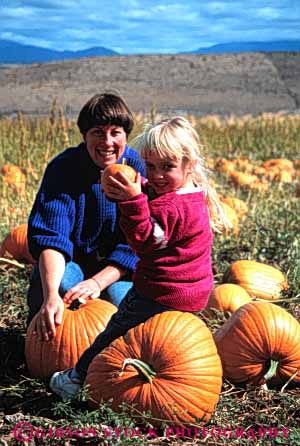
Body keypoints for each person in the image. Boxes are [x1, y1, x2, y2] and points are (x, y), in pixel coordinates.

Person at [49, 116, 229, 401]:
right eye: (151, 166)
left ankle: (77, 377)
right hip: (192, 294)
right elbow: (158, 198)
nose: (156, 175)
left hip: (160, 291)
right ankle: (182, 377)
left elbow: (146, 241)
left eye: (167, 167)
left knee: (116, 332)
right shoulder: (192, 193)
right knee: (169, 343)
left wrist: (131, 201)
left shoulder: (172, 207)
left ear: (189, 164)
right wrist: (138, 186)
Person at [27, 92, 146, 341]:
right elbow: (51, 237)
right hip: (76, 264)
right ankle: (44, 341)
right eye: (97, 132)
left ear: (126, 135)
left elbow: (136, 244)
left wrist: (97, 283)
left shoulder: (139, 169)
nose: (107, 142)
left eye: (115, 132)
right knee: (57, 283)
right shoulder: (64, 168)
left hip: (120, 272)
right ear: (84, 136)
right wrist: (50, 296)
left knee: (122, 301)